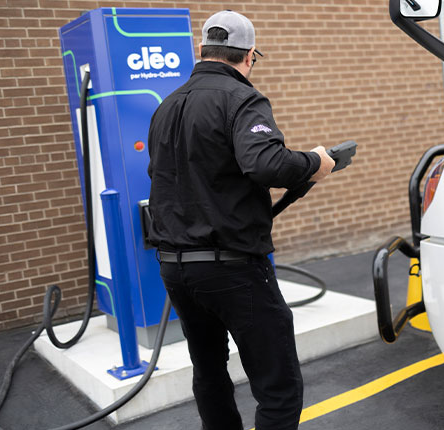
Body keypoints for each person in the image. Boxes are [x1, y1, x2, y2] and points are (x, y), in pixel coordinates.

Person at [146, 10, 335, 430]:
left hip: (176, 268)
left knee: (209, 372)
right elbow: (264, 163)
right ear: (249, 55)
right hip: (233, 268)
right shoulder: (241, 98)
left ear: (202, 51)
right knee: (278, 384)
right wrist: (314, 163)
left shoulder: (166, 107)